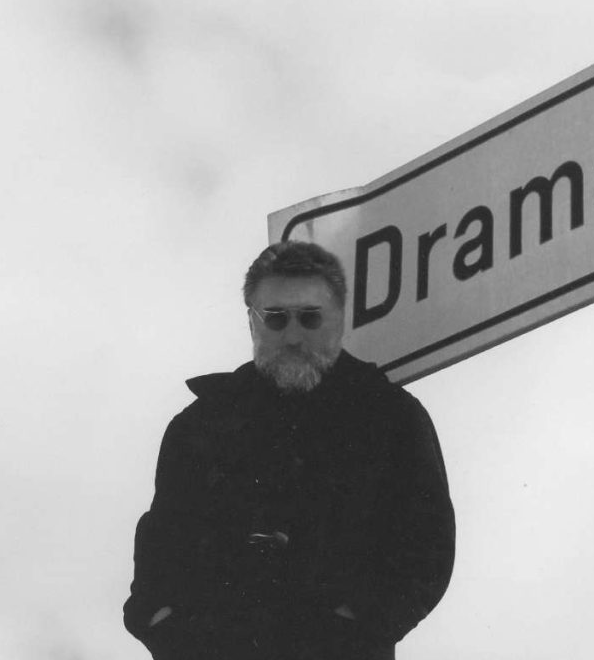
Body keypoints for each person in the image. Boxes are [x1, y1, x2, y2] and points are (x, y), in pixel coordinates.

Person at [124, 241, 456, 660]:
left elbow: (427, 551)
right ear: (252, 323)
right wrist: (167, 629)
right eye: (276, 318)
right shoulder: (199, 426)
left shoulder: (392, 419)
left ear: (340, 319)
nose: (293, 336)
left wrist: (353, 627)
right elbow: (160, 549)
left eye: (310, 317)